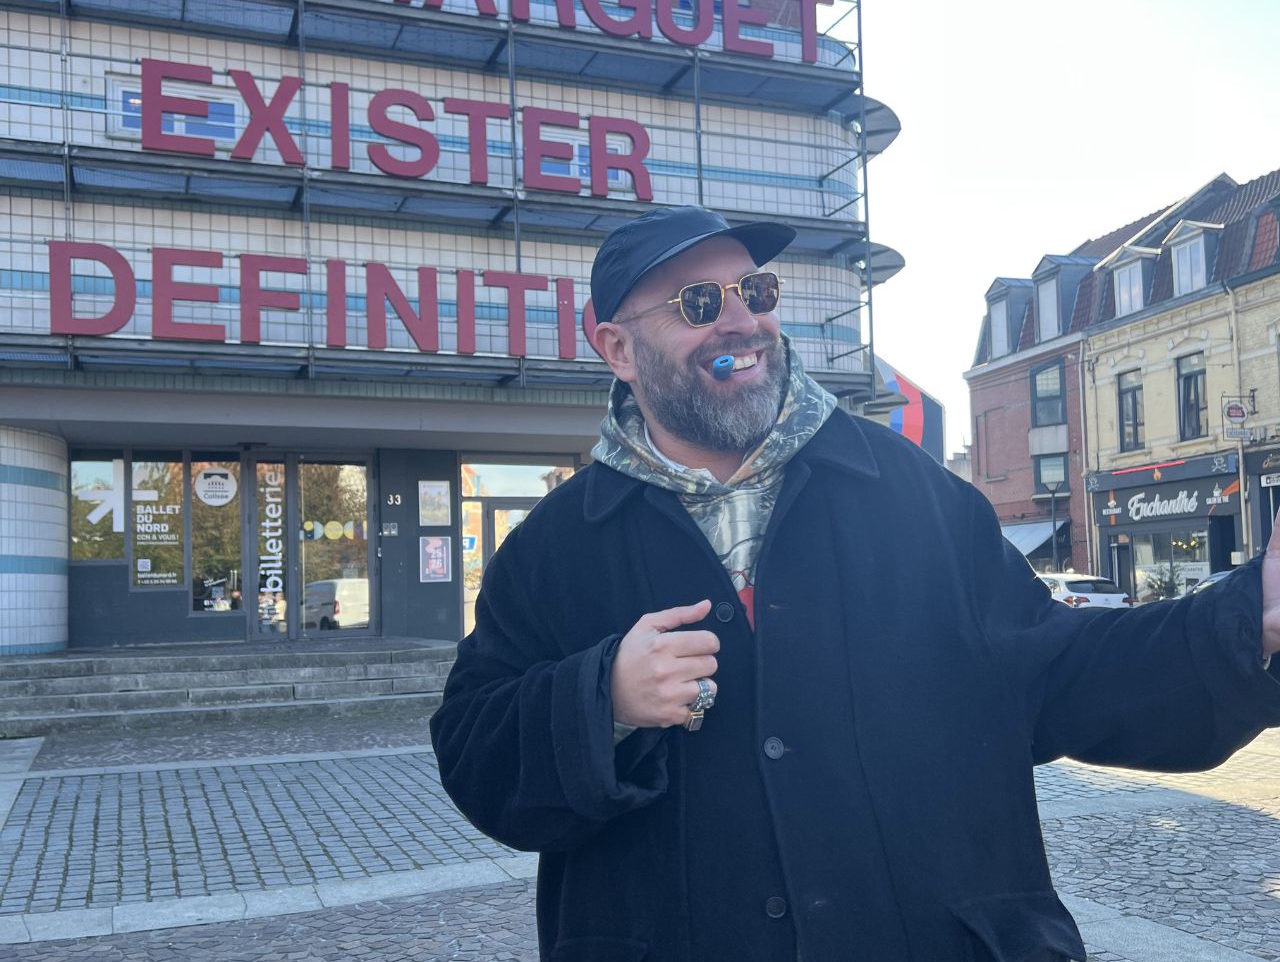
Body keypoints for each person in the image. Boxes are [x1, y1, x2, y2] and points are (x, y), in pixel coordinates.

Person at [430, 205, 1280, 962]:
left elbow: (1058, 672)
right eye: (699, 303)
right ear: (617, 347)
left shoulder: (908, 491)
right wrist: (601, 698)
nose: (741, 323)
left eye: (754, 293)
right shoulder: (552, 546)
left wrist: (1254, 618)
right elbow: (474, 752)